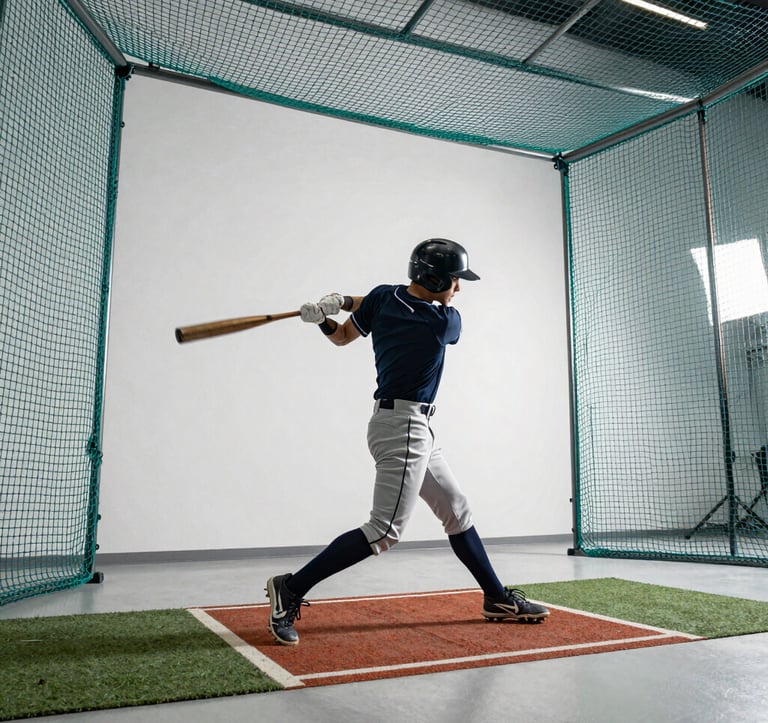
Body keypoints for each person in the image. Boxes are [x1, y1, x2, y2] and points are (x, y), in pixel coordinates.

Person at [266, 238, 549, 646]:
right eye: (455, 280)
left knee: (456, 508)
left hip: (415, 427)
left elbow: (344, 335)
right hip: (403, 430)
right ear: (434, 279)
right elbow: (356, 327)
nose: (459, 288)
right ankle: (290, 587)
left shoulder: (387, 299)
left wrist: (332, 311)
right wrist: (331, 311)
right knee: (383, 531)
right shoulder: (441, 322)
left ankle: (496, 599)